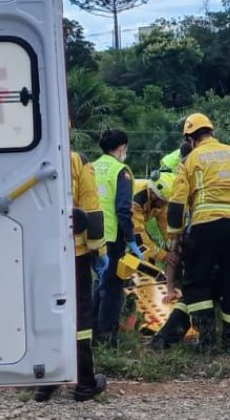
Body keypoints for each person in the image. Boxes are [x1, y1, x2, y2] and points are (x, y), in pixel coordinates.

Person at [164, 113, 230, 352]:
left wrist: (175, 236)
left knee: (197, 281)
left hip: (206, 227)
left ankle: (207, 340)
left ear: (190, 139)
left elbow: (177, 201)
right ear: (212, 132)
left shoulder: (191, 159)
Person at [35, 152, 107, 402]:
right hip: (74, 252)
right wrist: (99, 251)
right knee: (81, 316)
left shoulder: (32, 159)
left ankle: (46, 381)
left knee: (47, 313)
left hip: (40, 252)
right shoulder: (77, 160)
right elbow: (92, 209)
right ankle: (85, 383)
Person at [92, 129, 141, 346]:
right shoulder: (121, 171)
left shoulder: (91, 167)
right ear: (122, 148)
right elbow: (123, 209)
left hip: (90, 237)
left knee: (97, 285)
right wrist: (131, 239)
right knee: (112, 289)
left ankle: (91, 335)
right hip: (111, 238)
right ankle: (107, 339)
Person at [132, 171, 174, 263]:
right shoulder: (136, 200)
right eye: (163, 201)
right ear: (154, 193)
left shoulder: (161, 200)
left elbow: (165, 226)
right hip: (113, 222)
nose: (164, 205)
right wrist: (163, 255)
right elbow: (138, 234)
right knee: (142, 252)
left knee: (149, 255)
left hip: (132, 223)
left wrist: (172, 245)